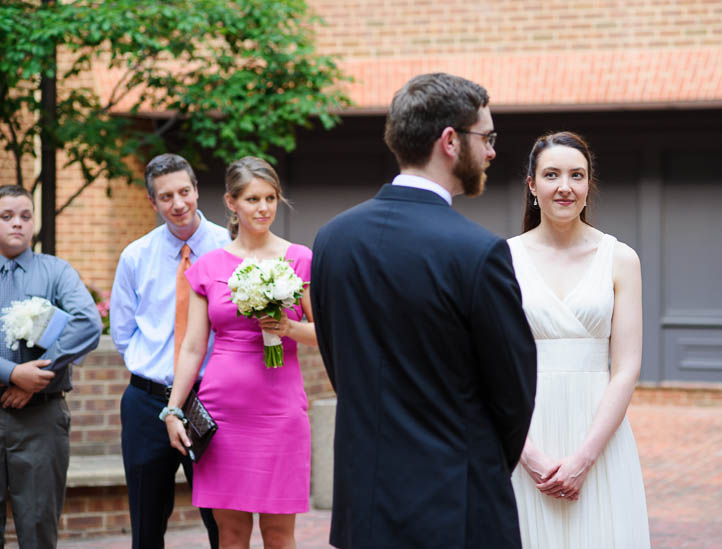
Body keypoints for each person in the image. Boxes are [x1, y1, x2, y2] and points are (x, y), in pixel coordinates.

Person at [311, 72, 538, 549]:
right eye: (487, 137)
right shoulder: (479, 252)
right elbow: (513, 393)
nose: (493, 151)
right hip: (456, 504)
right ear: (450, 141)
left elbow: (339, 363)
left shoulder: (333, 239)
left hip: (365, 503)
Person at [164, 156, 316, 549]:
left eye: (270, 198)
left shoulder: (299, 258)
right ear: (231, 203)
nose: (263, 208)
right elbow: (193, 347)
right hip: (223, 414)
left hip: (281, 412)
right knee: (230, 535)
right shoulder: (208, 265)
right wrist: (173, 409)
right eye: (252, 199)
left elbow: (328, 333)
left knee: (280, 535)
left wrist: (289, 328)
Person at [508, 132, 650, 548]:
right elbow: (488, 366)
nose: (565, 186)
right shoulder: (503, 259)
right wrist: (527, 454)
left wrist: (585, 458)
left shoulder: (620, 258)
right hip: (525, 432)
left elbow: (626, 369)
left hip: (598, 435)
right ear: (533, 186)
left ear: (589, 185)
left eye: (577, 175)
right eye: (551, 175)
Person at [109, 154, 224, 548]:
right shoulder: (135, 256)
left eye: (184, 192)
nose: (178, 204)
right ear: (152, 202)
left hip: (209, 400)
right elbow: (122, 333)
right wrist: (157, 372)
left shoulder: (228, 248)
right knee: (146, 521)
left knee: (221, 523)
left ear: (196, 189)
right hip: (147, 403)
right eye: (166, 196)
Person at [0, 184, 102, 548]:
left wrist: (35, 378)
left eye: (25, 217)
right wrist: (12, 373)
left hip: (40, 419)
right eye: (6, 216)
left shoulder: (55, 272)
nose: (17, 224)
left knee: (39, 525)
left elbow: (87, 323)